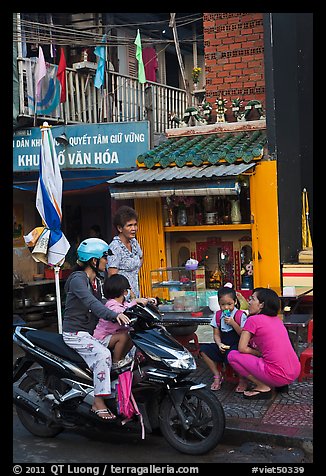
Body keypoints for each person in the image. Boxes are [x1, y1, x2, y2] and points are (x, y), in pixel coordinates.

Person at [62, 237, 131, 420]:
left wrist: (130, 307)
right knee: (103, 355)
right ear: (94, 260)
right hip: (75, 334)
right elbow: (91, 303)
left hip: (89, 334)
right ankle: (97, 402)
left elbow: (103, 302)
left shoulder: (96, 281)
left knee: (126, 336)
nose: (107, 262)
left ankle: (111, 385)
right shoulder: (78, 279)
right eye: (105, 258)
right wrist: (114, 315)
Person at [227, 287, 301, 399]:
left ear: (261, 305)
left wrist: (258, 353)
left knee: (232, 356)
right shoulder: (277, 319)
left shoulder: (253, 320)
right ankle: (281, 385)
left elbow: (242, 348)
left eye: (252, 299)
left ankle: (263, 386)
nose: (249, 302)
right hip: (294, 371)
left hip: (277, 374)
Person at [93, 274, 152, 368]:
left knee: (133, 334)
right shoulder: (111, 304)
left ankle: (123, 358)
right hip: (102, 338)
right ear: (124, 291)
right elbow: (121, 311)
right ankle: (116, 362)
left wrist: (145, 301)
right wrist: (134, 302)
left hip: (113, 336)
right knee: (124, 336)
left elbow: (128, 306)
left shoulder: (123, 303)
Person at [199, 285, 248, 392]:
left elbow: (243, 334)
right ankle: (217, 375)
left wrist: (233, 323)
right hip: (223, 344)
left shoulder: (240, 315)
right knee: (203, 350)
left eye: (229, 304)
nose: (226, 307)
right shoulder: (217, 315)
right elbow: (216, 334)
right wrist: (219, 344)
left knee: (234, 355)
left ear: (235, 302)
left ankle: (242, 379)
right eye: (222, 304)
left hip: (237, 344)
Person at [107, 206, 143, 298]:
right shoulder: (115, 247)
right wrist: (128, 292)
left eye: (135, 225)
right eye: (129, 225)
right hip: (122, 297)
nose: (134, 228)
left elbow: (141, 257)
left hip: (136, 293)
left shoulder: (134, 242)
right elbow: (112, 275)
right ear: (120, 228)